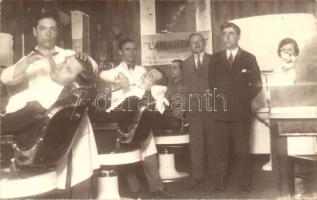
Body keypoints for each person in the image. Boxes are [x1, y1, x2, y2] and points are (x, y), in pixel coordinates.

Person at [0, 11, 99, 198]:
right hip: (41, 122)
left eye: (53, 29)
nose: (48, 33)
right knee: (54, 175)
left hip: (65, 116)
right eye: (43, 29)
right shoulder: (29, 59)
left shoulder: (69, 55)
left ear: (57, 33)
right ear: (35, 32)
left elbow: (91, 68)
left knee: (77, 170)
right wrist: (26, 63)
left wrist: (84, 61)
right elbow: (5, 78)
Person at [99, 38, 175, 198]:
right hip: (123, 117)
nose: (132, 52)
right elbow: (102, 74)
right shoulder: (114, 71)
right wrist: (118, 75)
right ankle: (134, 188)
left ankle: (157, 187)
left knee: (149, 149)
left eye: (134, 49)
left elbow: (158, 85)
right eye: (127, 49)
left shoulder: (143, 71)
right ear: (120, 52)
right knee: (128, 150)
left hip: (142, 116)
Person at [207, 22, 262, 194]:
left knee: (242, 151)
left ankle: (244, 185)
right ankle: (218, 185)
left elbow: (258, 85)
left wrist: (242, 99)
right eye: (224, 34)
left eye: (231, 33)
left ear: (238, 36)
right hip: (220, 113)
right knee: (220, 151)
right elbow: (211, 83)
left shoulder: (249, 58)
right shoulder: (215, 58)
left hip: (241, 113)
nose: (227, 37)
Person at [182, 32, 213, 189]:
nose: (196, 44)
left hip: (211, 108)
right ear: (190, 45)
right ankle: (198, 176)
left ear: (204, 43)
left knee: (213, 144)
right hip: (194, 111)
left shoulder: (214, 60)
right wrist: (186, 110)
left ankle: (213, 178)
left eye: (199, 41)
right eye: (193, 42)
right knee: (196, 145)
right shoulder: (185, 63)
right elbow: (185, 88)